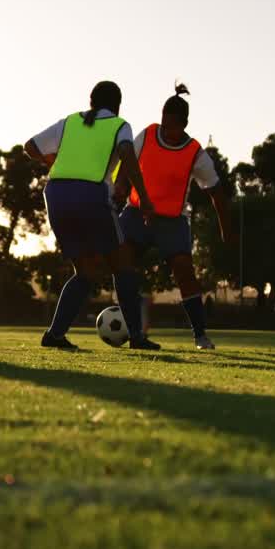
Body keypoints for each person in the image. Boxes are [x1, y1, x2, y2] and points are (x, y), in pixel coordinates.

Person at [25, 81, 161, 350]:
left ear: (91, 102)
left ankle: (54, 335)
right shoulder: (120, 125)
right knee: (123, 265)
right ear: (118, 104)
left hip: (56, 194)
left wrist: (53, 163)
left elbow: (30, 146)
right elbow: (126, 152)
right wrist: (143, 197)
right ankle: (136, 336)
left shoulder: (70, 122)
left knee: (85, 271)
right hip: (91, 195)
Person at [114, 85, 235, 350]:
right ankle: (135, 334)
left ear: (184, 124)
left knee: (184, 270)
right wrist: (120, 187)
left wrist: (226, 230)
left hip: (171, 220)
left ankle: (200, 335)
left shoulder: (195, 152)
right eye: (164, 123)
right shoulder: (147, 134)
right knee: (122, 260)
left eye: (172, 126)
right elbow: (126, 161)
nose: (166, 130)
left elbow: (216, 192)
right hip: (136, 213)